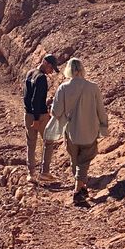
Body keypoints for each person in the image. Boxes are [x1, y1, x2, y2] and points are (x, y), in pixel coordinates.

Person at [48, 57, 108, 205]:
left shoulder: (63, 88)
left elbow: (56, 112)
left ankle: (81, 188)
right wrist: (104, 125)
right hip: (89, 130)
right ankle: (77, 191)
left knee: (75, 159)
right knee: (85, 160)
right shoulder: (93, 87)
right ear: (82, 69)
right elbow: (100, 109)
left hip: (70, 131)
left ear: (68, 69)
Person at [23, 53, 59, 181]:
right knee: (49, 142)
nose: (51, 71)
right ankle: (44, 172)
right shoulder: (41, 78)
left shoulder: (30, 73)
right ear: (45, 62)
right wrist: (37, 119)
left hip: (27, 114)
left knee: (31, 144)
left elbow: (27, 97)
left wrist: (31, 114)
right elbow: (36, 100)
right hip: (39, 116)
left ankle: (31, 174)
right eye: (51, 67)